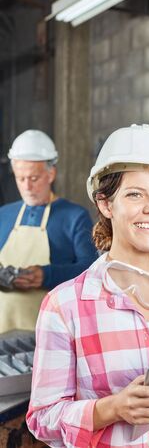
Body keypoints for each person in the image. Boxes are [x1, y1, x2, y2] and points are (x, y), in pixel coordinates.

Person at [26, 124, 149, 448]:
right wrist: (111, 409)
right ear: (106, 204)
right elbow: (42, 419)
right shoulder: (65, 306)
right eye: (135, 194)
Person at [0, 129, 98, 333]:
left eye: (34, 178)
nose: (26, 186)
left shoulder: (75, 216)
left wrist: (46, 275)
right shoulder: (4, 214)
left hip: (50, 334)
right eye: (20, 178)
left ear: (50, 174)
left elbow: (91, 272)